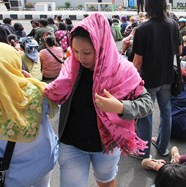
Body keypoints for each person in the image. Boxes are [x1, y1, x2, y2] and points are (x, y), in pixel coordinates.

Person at [44, 13, 152, 186]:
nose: (80, 58)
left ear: (102, 46)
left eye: (86, 52)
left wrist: (121, 107)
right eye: (76, 51)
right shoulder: (71, 67)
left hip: (106, 145)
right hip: (72, 143)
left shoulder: (123, 70)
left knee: (106, 182)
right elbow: (53, 90)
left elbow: (146, 103)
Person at [0, 43, 59, 186]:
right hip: (44, 161)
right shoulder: (39, 91)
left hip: (14, 173)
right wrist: (31, 82)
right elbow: (56, 103)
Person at [132, 0, 181, 158]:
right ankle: (163, 147)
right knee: (166, 112)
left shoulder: (142, 29)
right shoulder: (173, 24)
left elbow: (137, 62)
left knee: (145, 114)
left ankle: (143, 152)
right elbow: (179, 49)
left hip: (148, 80)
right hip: (167, 77)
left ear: (147, 5)